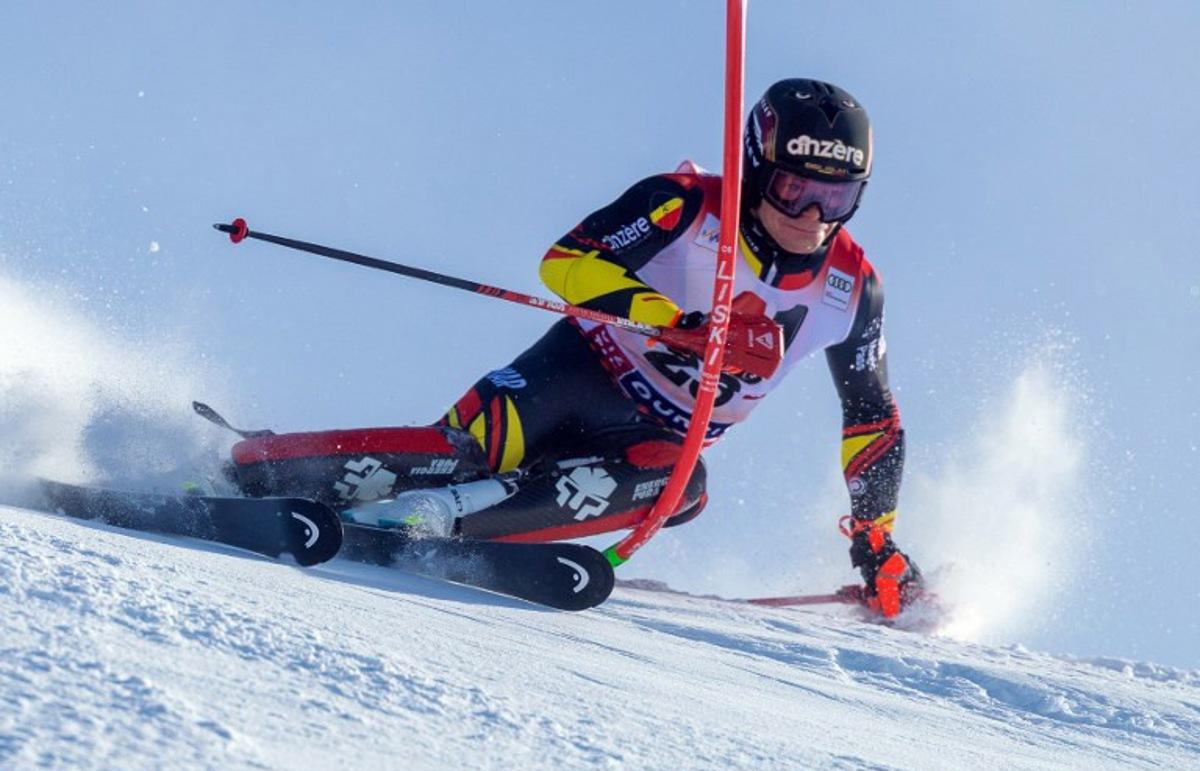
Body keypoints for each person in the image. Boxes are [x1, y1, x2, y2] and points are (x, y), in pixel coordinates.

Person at [226, 78, 923, 617]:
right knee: (463, 452)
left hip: (655, 441)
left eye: (837, 199)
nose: (812, 217)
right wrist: (675, 321)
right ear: (756, 168)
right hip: (573, 375)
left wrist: (875, 537)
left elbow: (872, 417)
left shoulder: (853, 289)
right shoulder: (684, 204)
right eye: (795, 189)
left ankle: (439, 518)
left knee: (683, 490)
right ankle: (257, 465)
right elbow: (566, 261)